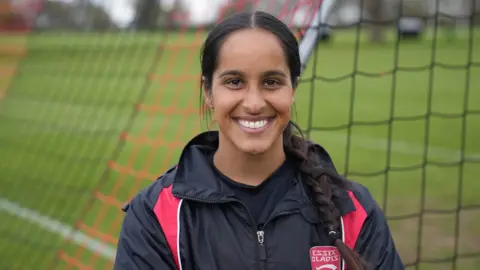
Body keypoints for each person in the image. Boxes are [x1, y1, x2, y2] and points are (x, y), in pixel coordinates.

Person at [114, 11, 405, 270]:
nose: (254, 103)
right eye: (234, 82)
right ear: (208, 91)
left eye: (271, 82)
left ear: (293, 88)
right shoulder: (156, 216)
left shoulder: (351, 210)